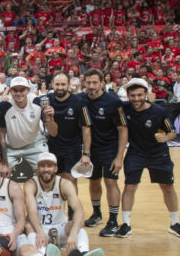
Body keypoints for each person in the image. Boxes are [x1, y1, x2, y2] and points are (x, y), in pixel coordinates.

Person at [118, 78, 180, 238]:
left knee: (167, 186)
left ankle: (174, 224)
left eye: (140, 95)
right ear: (128, 95)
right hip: (135, 152)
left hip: (158, 153)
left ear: (146, 94)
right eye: (133, 95)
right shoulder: (125, 108)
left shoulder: (159, 111)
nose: (136, 99)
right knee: (130, 187)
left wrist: (166, 138)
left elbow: (172, 130)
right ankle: (126, 224)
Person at [24, 152, 105, 256]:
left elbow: (79, 210)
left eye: (49, 166)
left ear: (56, 168)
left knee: (78, 224)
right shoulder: (31, 184)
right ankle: (47, 255)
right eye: (42, 166)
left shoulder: (65, 184)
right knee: (28, 226)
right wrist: (40, 231)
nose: (46, 169)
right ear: (38, 169)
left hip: (60, 227)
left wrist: (72, 234)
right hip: (40, 229)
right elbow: (31, 212)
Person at [80, 69, 127, 237]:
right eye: (88, 82)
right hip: (89, 150)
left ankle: (113, 220)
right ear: (84, 82)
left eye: (94, 82)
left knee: (110, 182)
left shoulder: (113, 102)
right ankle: (97, 213)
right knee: (93, 182)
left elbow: (123, 129)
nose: (91, 86)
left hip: (109, 148)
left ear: (102, 83)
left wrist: (119, 156)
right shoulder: (80, 99)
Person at [43, 72, 92, 206]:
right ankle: (56, 213)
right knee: (53, 182)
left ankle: (72, 214)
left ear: (69, 85)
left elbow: (86, 129)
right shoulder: (44, 101)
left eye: (63, 84)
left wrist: (86, 153)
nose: (60, 87)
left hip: (72, 147)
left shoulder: (79, 102)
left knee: (70, 181)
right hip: (51, 147)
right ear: (52, 85)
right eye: (57, 84)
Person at [0, 77, 50, 173]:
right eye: (15, 90)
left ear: (28, 90)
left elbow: (52, 131)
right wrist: (5, 163)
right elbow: (2, 135)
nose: (18, 93)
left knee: (44, 174)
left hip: (34, 144)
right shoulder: (5, 106)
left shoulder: (37, 102)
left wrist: (49, 118)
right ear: (10, 91)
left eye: (22, 90)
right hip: (12, 147)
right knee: (3, 175)